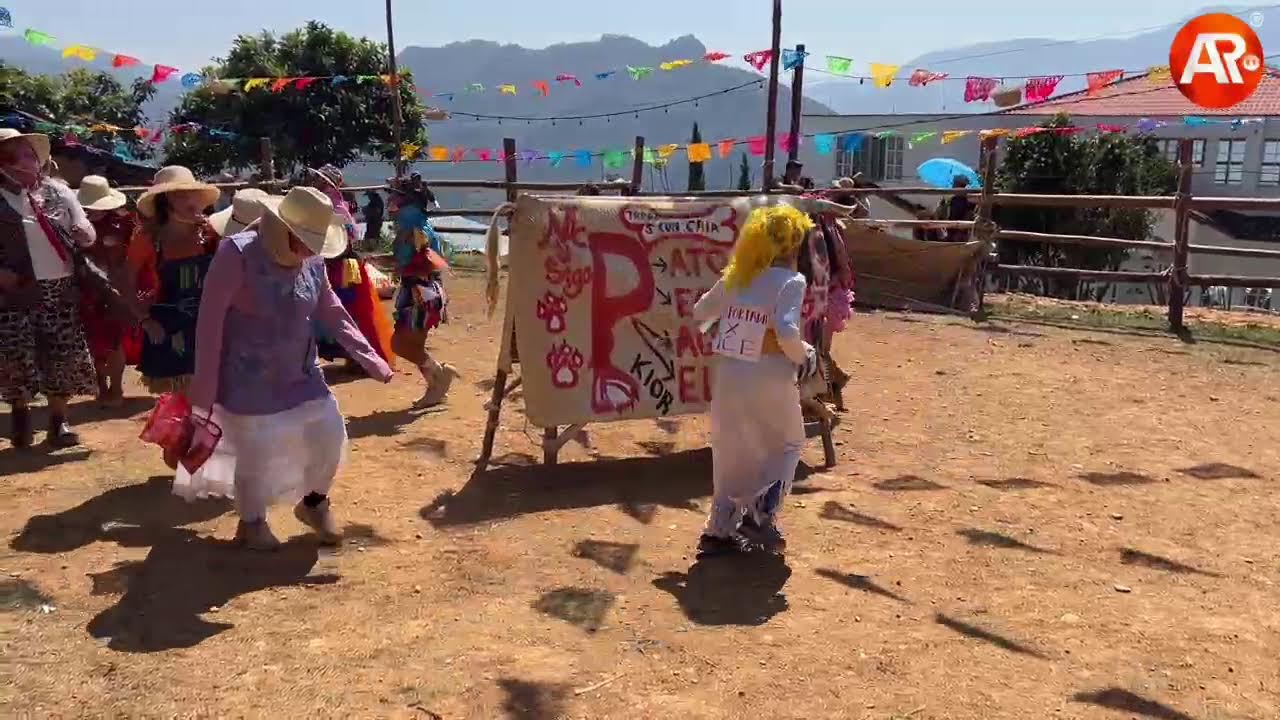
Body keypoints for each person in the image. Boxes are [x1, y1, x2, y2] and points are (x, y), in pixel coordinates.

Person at [178, 187, 393, 550]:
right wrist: (204, 397)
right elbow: (209, 326)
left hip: (301, 371)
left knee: (329, 437)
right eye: (304, 240)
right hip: (247, 377)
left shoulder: (314, 258)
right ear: (283, 228)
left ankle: (313, 504)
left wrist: (369, 357)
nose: (311, 250)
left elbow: (332, 310)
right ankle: (251, 522)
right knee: (257, 452)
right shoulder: (237, 254)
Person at [692, 204, 818, 557]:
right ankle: (762, 511)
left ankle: (718, 531)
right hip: (771, 374)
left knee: (730, 450)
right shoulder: (791, 281)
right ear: (792, 244)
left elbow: (700, 313)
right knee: (789, 443)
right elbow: (787, 330)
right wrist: (804, 355)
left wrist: (732, 321)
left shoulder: (736, 277)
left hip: (730, 374)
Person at [0, 128, 102, 447]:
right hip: (14, 290)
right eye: (14, 155)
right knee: (17, 355)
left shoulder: (58, 191)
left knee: (63, 352)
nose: (25, 160)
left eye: (28, 154)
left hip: (60, 284)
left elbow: (83, 226)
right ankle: (20, 418)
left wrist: (84, 233)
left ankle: (59, 421)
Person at [128, 166, 222, 403]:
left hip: (212, 323)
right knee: (187, 397)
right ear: (165, 201)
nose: (188, 199)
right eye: (178, 194)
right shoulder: (148, 237)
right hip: (174, 328)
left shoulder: (211, 233)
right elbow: (124, 281)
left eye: (190, 192)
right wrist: (145, 320)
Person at [307, 165, 395, 375]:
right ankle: (355, 356)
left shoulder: (329, 205)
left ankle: (359, 357)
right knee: (348, 310)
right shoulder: (337, 204)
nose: (315, 182)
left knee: (344, 310)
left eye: (318, 179)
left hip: (339, 264)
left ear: (325, 183)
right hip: (342, 263)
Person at [390, 174, 458, 408]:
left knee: (401, 345)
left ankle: (439, 377)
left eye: (396, 196)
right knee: (411, 345)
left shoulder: (413, 229)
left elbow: (415, 261)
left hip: (421, 292)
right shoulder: (419, 224)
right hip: (423, 290)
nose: (392, 200)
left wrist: (390, 264)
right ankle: (437, 384)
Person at [76, 175, 141, 406]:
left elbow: (135, 257)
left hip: (116, 290)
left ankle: (116, 388)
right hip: (87, 290)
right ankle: (101, 385)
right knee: (92, 341)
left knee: (115, 341)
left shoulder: (126, 223)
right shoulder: (75, 223)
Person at [935, 175, 975, 242]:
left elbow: (969, 214)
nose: (953, 186)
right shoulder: (952, 200)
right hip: (951, 229)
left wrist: (961, 230)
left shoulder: (968, 201)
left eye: (954, 184)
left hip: (960, 231)